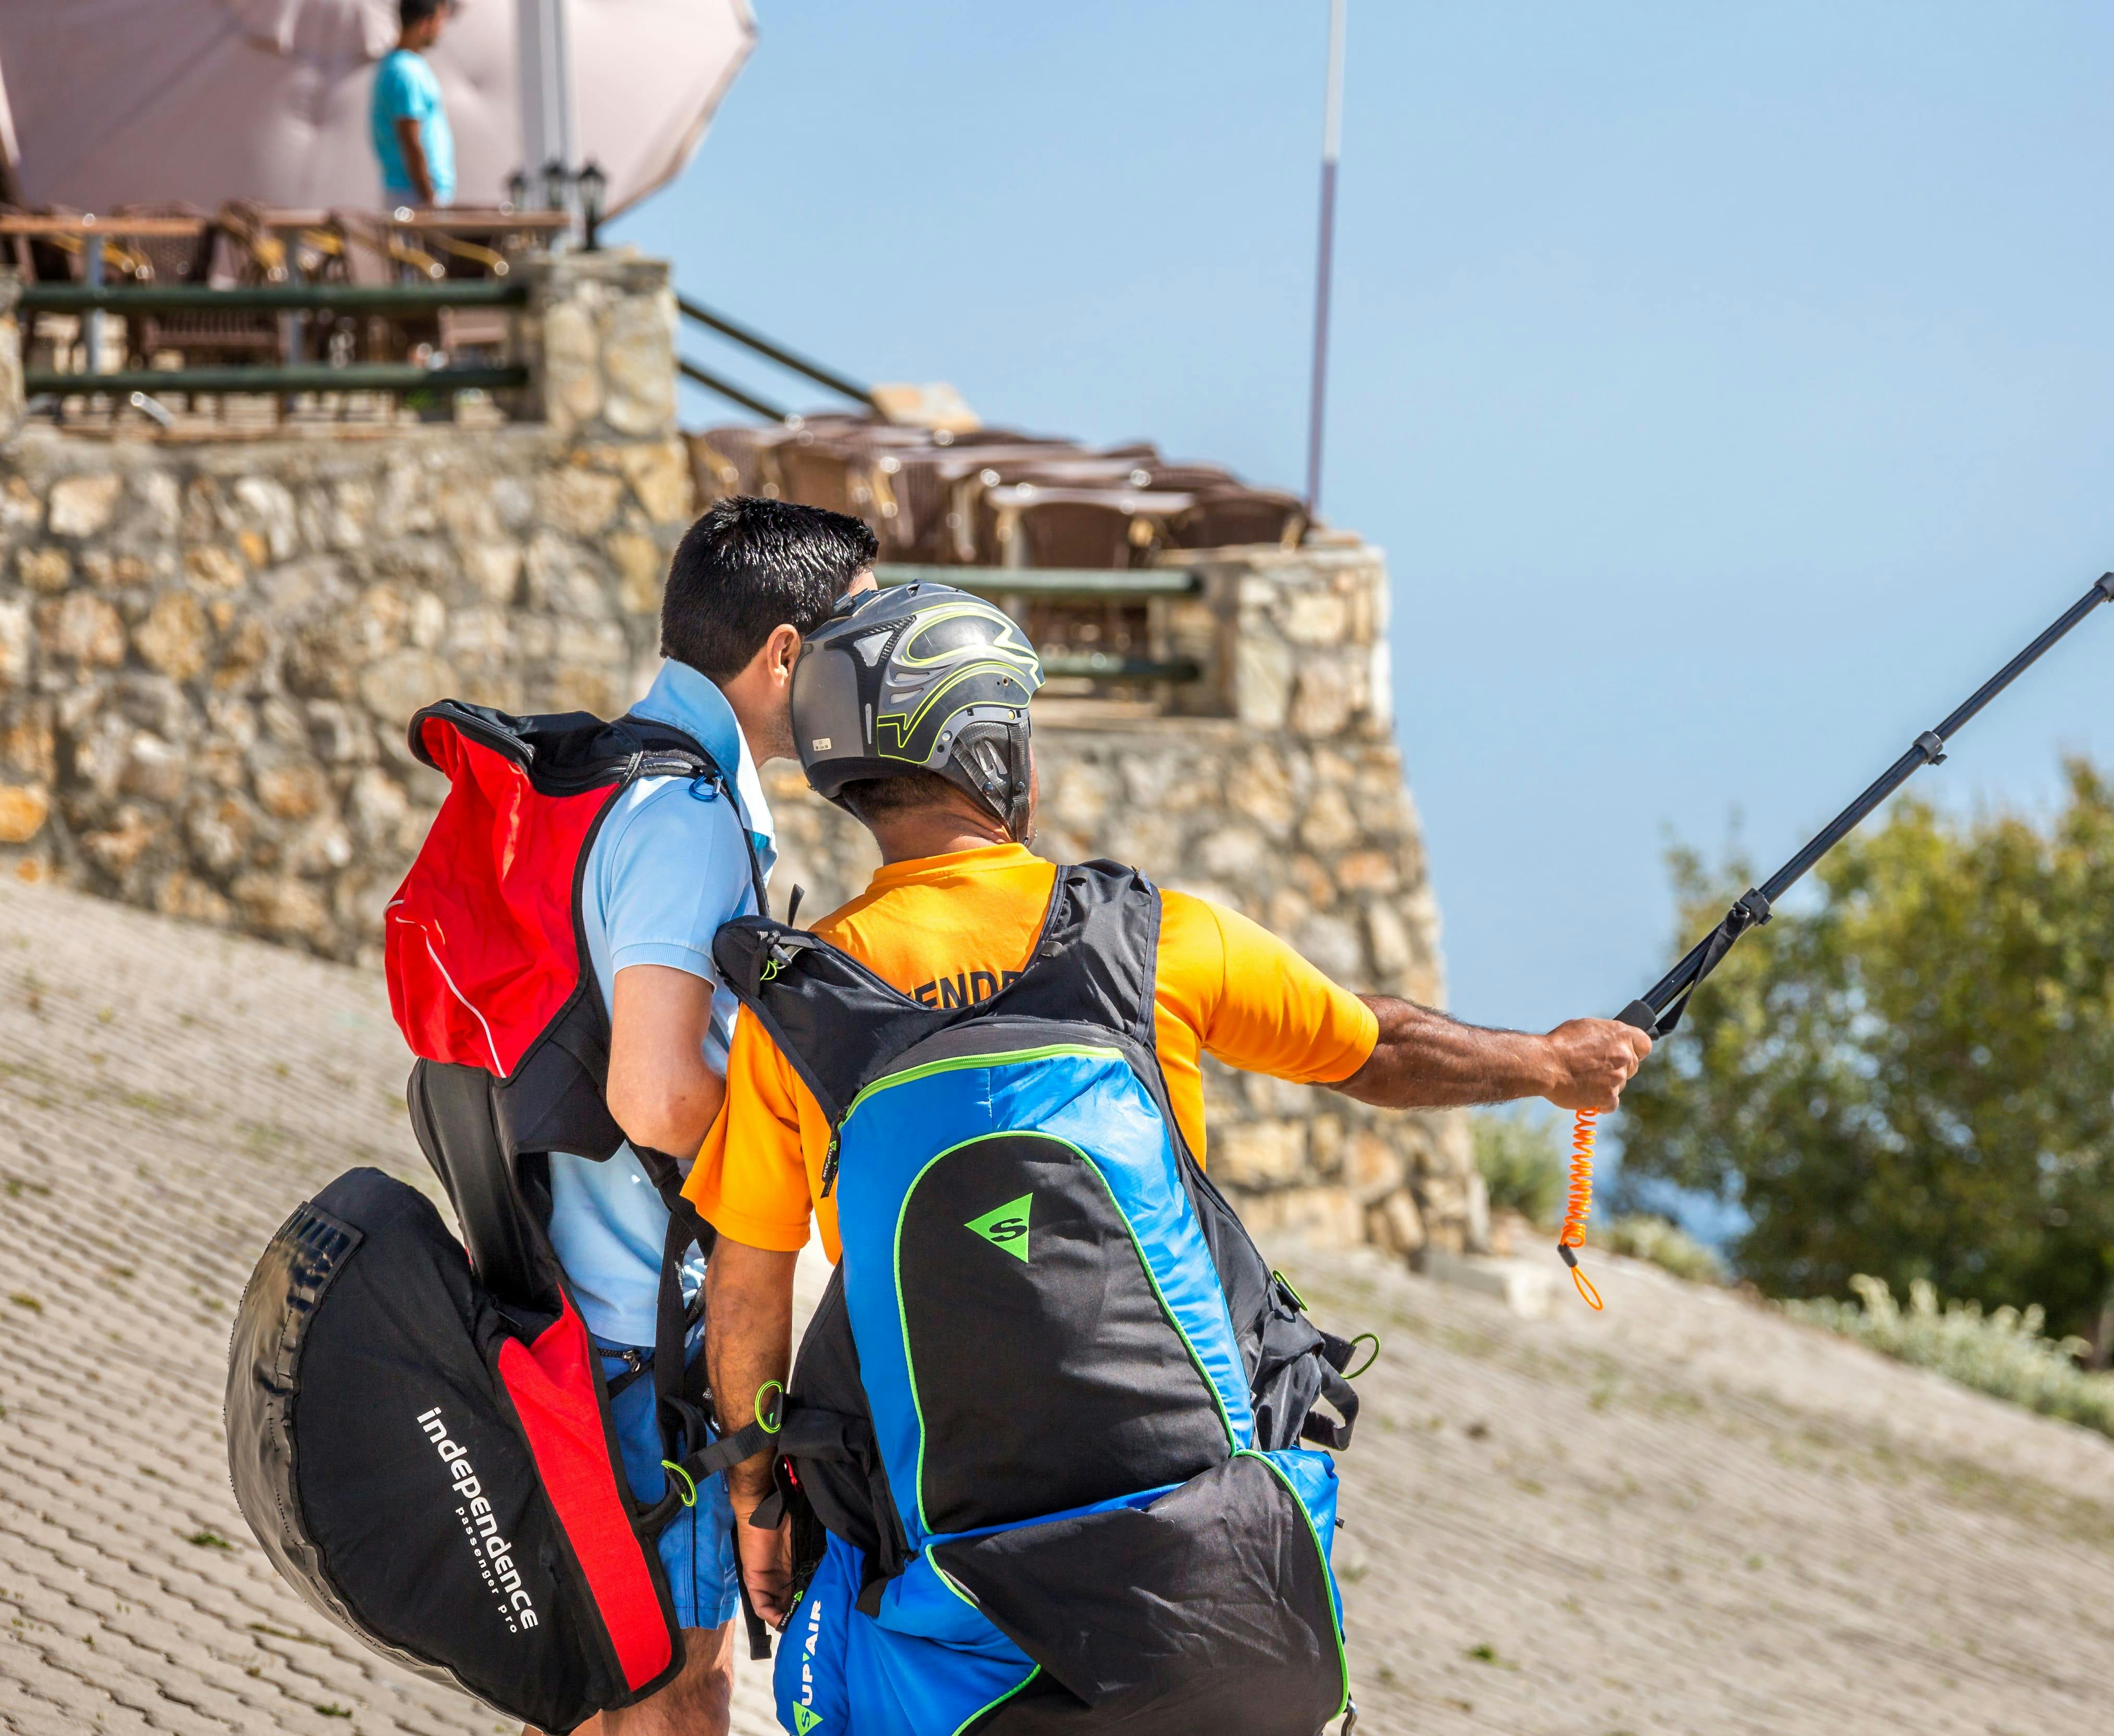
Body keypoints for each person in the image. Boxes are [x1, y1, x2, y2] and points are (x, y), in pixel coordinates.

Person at [685, 584, 1651, 1729]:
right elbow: (1378, 1047)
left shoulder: (805, 1008)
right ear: (996, 749)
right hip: (1196, 1565)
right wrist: (1549, 1062)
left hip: (948, 1565)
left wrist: (756, 1489)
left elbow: (746, 1293)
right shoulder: (1148, 939)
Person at [538, 497, 878, 1736]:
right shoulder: (683, 824)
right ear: (787, 654)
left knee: (588, 1676)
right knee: (682, 1680)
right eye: (859, 639)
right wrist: (808, 1158)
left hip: (577, 1301)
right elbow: (656, 1089)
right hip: (647, 1344)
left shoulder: (612, 771)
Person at [372, 0, 456, 210]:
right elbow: (411, 140)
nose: (442, 31)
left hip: (414, 194)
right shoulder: (406, 71)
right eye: (440, 21)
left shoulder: (401, 65)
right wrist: (429, 198)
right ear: (426, 24)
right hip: (415, 197)